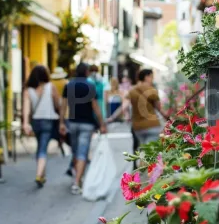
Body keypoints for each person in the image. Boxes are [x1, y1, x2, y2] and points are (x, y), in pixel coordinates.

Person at [60, 62, 107, 195]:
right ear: (87, 72)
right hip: (87, 124)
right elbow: (95, 106)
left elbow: (63, 106)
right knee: (82, 153)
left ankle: (78, 178)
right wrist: (102, 123)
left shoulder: (68, 85)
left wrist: (62, 123)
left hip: (72, 123)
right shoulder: (90, 85)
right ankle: (76, 183)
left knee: (75, 152)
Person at [22, 65, 61, 188]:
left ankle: (42, 175)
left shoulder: (28, 90)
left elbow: (26, 109)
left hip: (36, 122)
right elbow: (58, 104)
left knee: (40, 146)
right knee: (43, 149)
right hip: (48, 120)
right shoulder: (51, 87)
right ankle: (39, 175)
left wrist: (25, 123)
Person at [108, 69, 169, 146]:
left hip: (138, 127)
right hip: (152, 125)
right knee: (151, 151)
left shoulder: (132, 90)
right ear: (146, 77)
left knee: (143, 148)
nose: (152, 79)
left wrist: (113, 117)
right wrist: (168, 118)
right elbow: (159, 108)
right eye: (151, 77)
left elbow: (123, 107)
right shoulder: (151, 90)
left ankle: (142, 157)